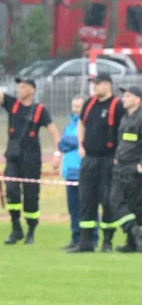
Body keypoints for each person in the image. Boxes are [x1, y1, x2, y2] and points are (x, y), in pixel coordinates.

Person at [1, 78, 60, 245]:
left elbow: (54, 132)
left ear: (32, 90)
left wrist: (56, 154)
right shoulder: (12, 104)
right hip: (13, 157)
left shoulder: (40, 110)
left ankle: (31, 230)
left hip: (31, 159)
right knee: (11, 191)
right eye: (19, 87)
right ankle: (16, 228)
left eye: (24, 87)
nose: (20, 89)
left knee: (31, 196)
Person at [73, 73, 125, 253]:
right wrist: (80, 144)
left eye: (97, 83)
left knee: (107, 200)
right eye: (93, 84)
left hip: (108, 159)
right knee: (86, 199)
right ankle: (86, 242)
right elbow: (81, 123)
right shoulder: (89, 104)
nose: (94, 87)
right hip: (89, 159)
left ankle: (107, 242)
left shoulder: (117, 105)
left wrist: (119, 155)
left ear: (108, 84)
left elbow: (123, 131)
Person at [105, 86, 142, 254]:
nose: (123, 99)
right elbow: (123, 141)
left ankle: (134, 237)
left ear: (138, 99)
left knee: (128, 203)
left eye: (127, 96)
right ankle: (135, 235)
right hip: (121, 165)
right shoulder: (125, 118)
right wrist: (117, 156)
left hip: (135, 166)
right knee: (118, 201)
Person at [59, 96, 87, 251]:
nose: (75, 109)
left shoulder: (86, 124)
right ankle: (75, 238)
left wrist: (72, 141)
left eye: (78, 106)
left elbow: (81, 140)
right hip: (69, 172)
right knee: (73, 208)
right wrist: (73, 141)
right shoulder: (69, 126)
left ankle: (89, 238)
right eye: (73, 106)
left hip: (81, 170)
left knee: (86, 207)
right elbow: (62, 143)